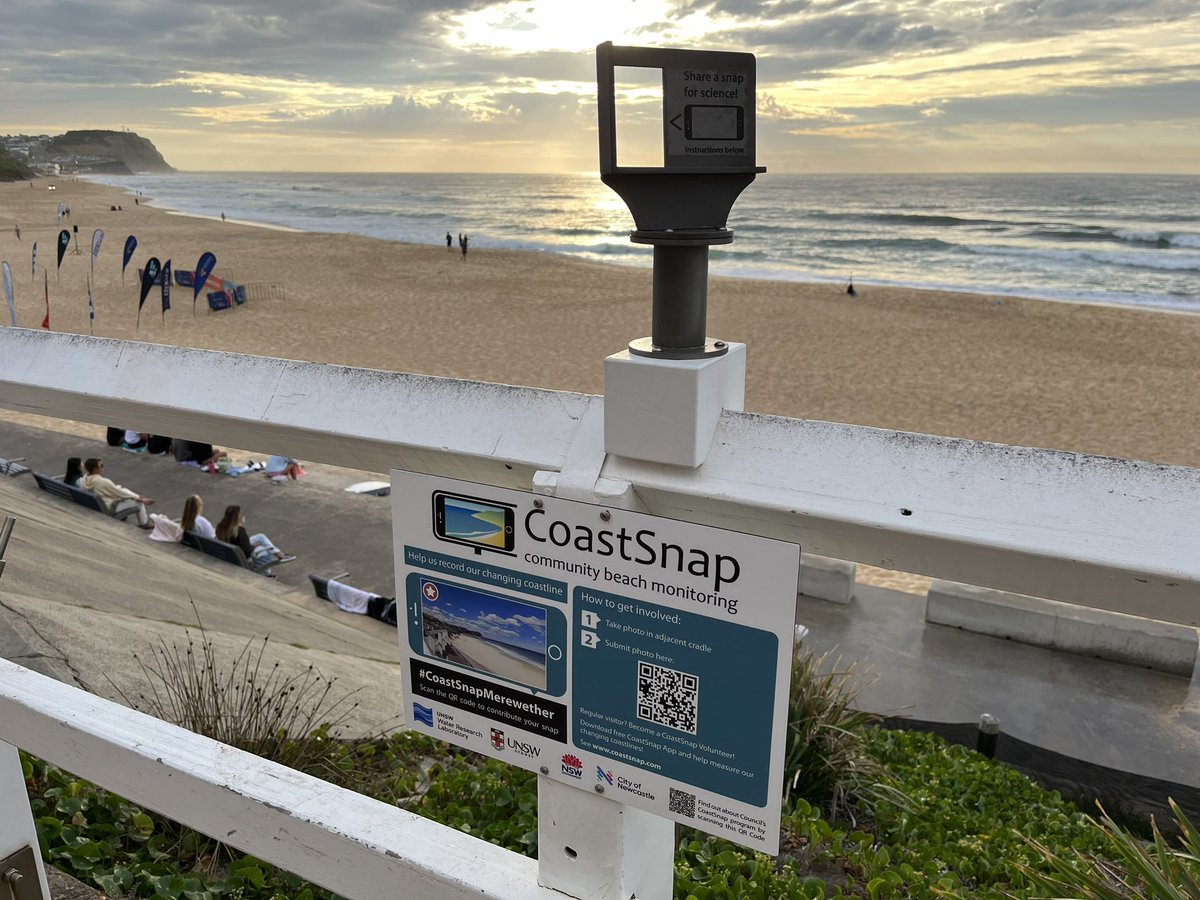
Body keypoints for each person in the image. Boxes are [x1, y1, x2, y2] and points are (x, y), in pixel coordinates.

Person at [81, 458, 154, 528]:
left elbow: (115, 490)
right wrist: (139, 498)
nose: (103, 467)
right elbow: (119, 492)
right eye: (101, 466)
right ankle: (144, 523)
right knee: (138, 502)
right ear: (95, 469)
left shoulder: (85, 479)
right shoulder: (102, 482)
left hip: (101, 504)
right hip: (109, 507)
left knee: (128, 495)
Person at [215, 505, 294, 567]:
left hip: (231, 554)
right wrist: (254, 546)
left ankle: (280, 554)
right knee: (267, 549)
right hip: (242, 557)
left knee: (261, 537)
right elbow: (247, 551)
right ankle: (267, 573)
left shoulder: (220, 527)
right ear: (236, 517)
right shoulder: (239, 530)